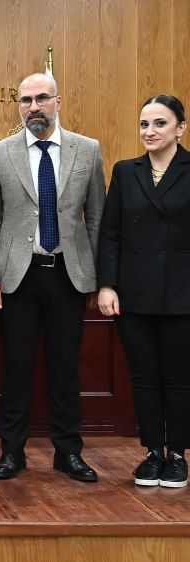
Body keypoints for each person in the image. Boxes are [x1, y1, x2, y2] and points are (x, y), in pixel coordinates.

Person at [0, 73, 106, 482]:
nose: (34, 106)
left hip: (69, 276)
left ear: (58, 101)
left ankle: (68, 452)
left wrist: (100, 278)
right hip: (18, 277)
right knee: (16, 368)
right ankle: (12, 453)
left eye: (41, 99)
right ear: (18, 106)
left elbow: (98, 219)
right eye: (25, 100)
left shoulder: (88, 150)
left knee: (65, 368)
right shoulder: (0, 153)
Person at [97, 94, 190, 488]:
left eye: (159, 124)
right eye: (144, 125)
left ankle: (178, 456)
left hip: (183, 293)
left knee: (179, 378)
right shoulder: (126, 170)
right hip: (133, 292)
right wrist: (106, 285)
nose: (149, 132)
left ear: (180, 128)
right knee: (144, 377)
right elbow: (111, 233)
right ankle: (152, 452)